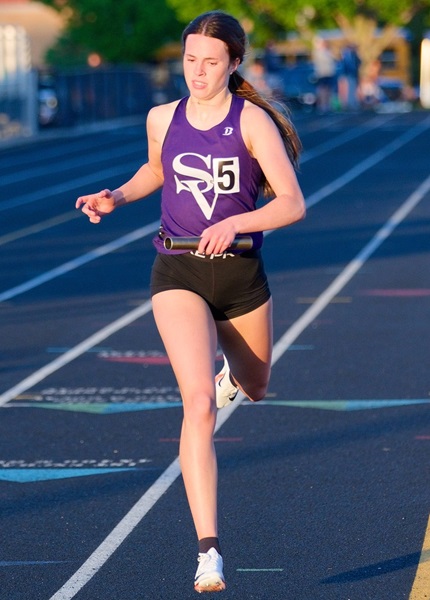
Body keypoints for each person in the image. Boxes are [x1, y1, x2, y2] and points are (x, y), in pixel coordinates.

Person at [75, 10, 305, 594]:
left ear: (234, 63)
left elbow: (292, 203)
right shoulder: (162, 117)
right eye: (190, 60)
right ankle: (208, 551)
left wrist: (238, 224)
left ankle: (233, 378)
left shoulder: (251, 122)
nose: (197, 72)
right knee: (198, 402)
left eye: (210, 62)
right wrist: (116, 196)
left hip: (240, 274)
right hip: (177, 268)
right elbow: (157, 168)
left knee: (255, 385)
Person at [312, 37, 337, 113]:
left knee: (329, 90)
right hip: (322, 74)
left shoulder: (328, 52)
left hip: (329, 73)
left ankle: (327, 104)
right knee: (322, 90)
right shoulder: (318, 52)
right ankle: (323, 105)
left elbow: (334, 59)